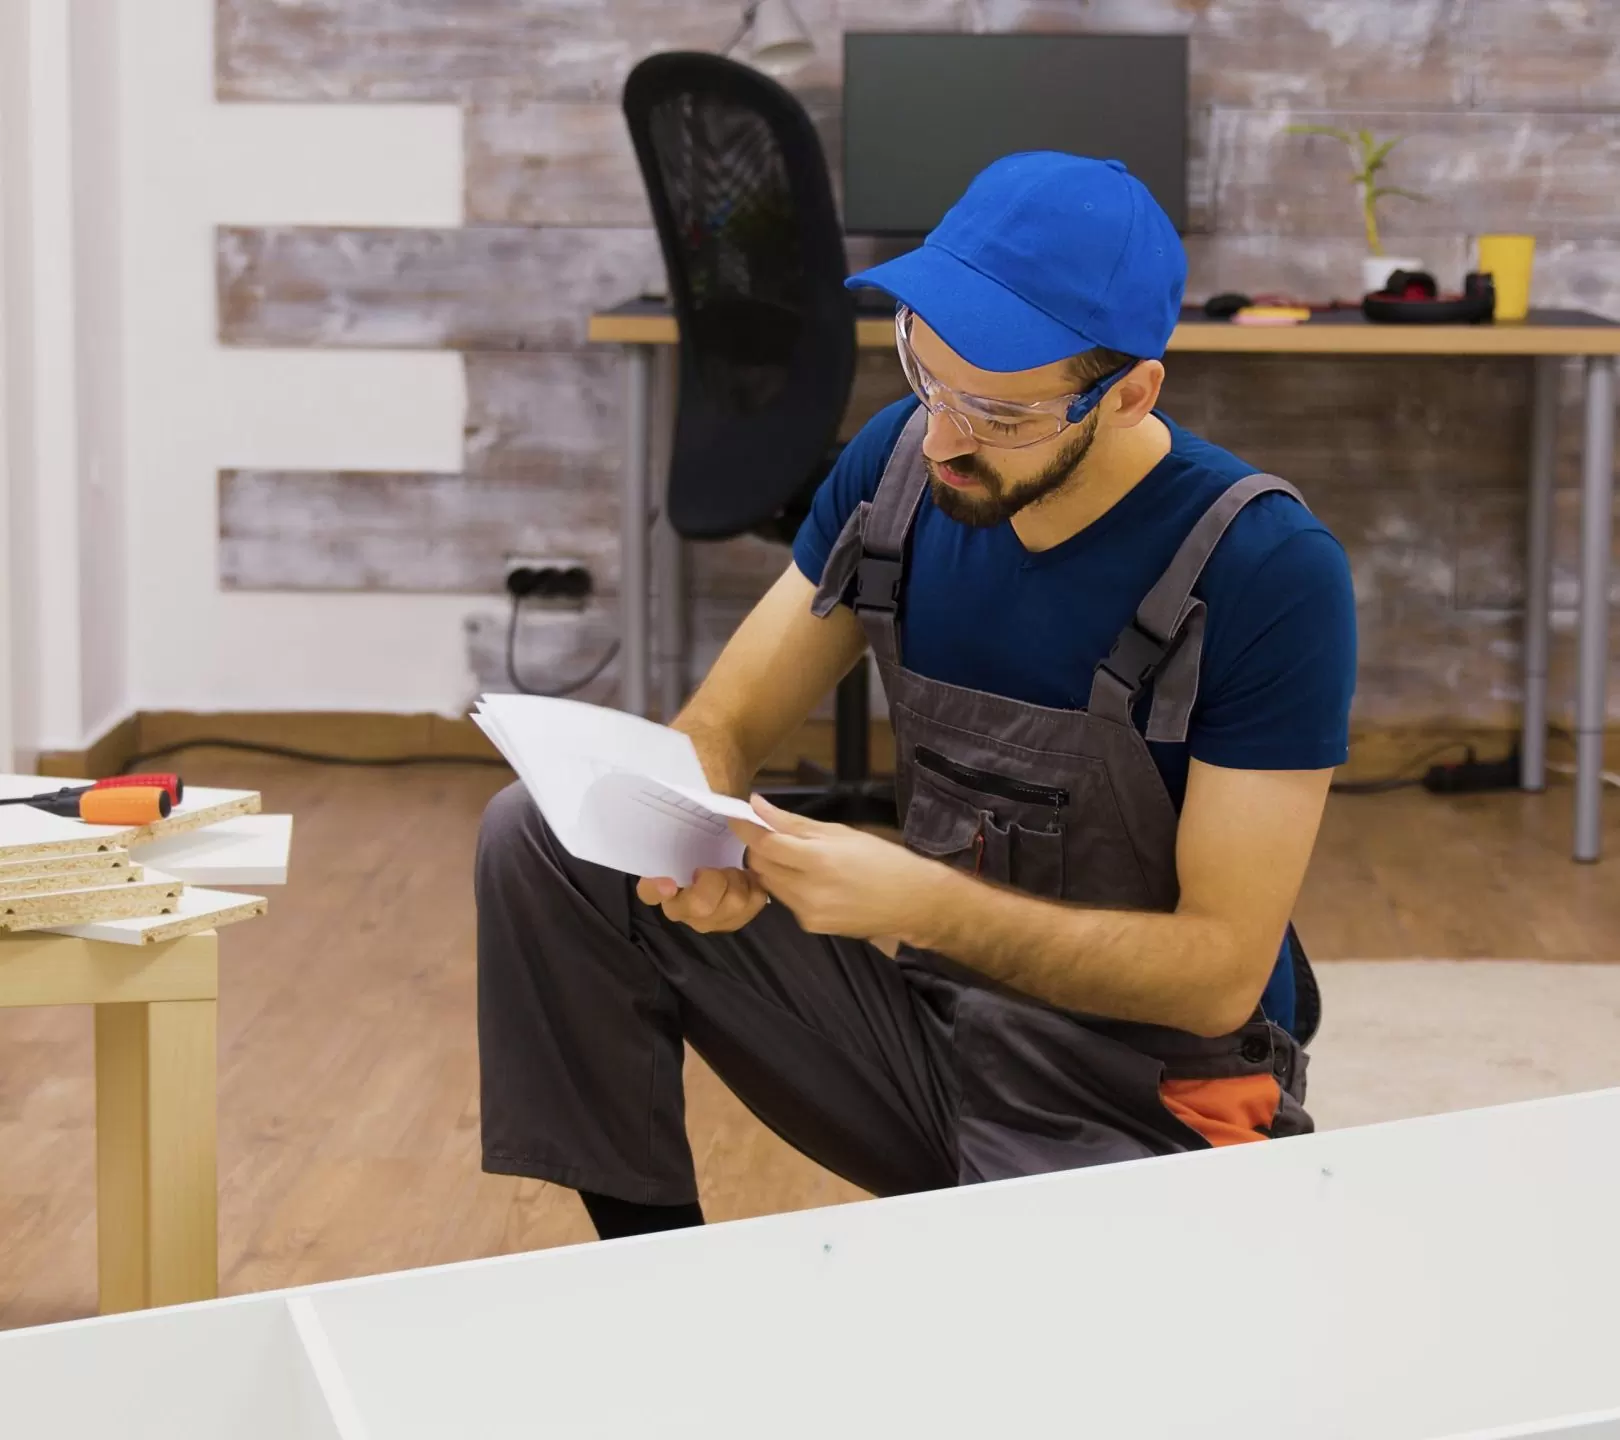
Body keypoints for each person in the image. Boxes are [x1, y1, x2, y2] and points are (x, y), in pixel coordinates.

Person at [475, 152, 1357, 1242]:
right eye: (922, 373)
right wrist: (685, 843)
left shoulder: (1265, 570)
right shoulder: (900, 466)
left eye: (998, 412)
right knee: (546, 839)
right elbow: (726, 724)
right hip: (932, 1032)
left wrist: (919, 903)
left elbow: (1221, 976)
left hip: (1147, 1104)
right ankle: (655, 1274)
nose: (942, 437)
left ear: (1129, 393)